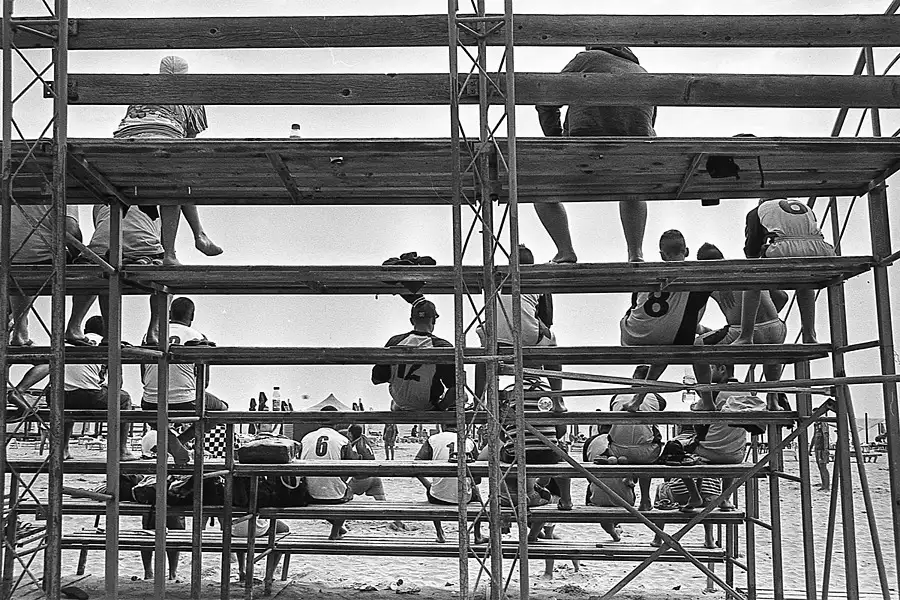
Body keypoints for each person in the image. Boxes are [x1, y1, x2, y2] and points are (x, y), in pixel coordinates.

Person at [535, 46, 657, 263]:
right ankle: (636, 253)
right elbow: (649, 124)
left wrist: (555, 138)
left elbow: (547, 99)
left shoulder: (587, 59)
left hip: (586, 145)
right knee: (633, 188)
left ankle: (565, 251)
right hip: (633, 155)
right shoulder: (642, 71)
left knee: (539, 189)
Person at [113, 55, 222, 266]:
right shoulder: (192, 98)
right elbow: (188, 145)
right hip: (162, 144)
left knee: (171, 178)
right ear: (186, 75)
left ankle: (199, 236)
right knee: (177, 184)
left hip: (122, 146)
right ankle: (173, 252)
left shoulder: (142, 90)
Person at [8, 316, 137, 461]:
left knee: (66, 406)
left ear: (85, 330)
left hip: (58, 396)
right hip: (88, 396)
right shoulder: (107, 345)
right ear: (107, 332)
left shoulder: (66, 343)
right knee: (124, 399)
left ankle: (62, 450)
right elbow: (116, 384)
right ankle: (122, 451)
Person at [694, 242, 789, 410]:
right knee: (771, 355)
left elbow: (694, 322)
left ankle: (707, 402)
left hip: (741, 331)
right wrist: (761, 317)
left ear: (702, 266)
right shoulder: (745, 269)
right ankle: (773, 400)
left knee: (697, 346)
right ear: (723, 258)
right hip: (776, 327)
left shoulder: (708, 279)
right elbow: (782, 297)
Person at [65, 203, 167, 346]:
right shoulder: (153, 201)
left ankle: (79, 327)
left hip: (103, 243)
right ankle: (154, 331)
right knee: (166, 278)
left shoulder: (101, 201)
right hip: (141, 246)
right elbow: (164, 239)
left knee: (102, 270)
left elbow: (101, 227)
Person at [141, 297, 228, 465]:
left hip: (151, 402)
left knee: (150, 408)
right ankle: (180, 441)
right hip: (186, 401)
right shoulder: (197, 337)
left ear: (169, 313)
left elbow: (143, 375)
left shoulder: (151, 335)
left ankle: (171, 440)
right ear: (192, 316)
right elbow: (204, 382)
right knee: (221, 409)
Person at [737, 198, 835, 344]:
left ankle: (746, 336)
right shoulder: (802, 206)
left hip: (785, 248)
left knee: (752, 278)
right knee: (805, 280)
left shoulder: (758, 211)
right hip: (820, 250)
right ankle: (810, 335)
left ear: (762, 201)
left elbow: (752, 251)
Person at [475, 244, 564, 403]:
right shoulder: (539, 279)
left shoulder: (497, 279)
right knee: (552, 344)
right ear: (532, 265)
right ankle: (557, 399)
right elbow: (547, 321)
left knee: (484, 356)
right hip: (525, 336)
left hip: (493, 338)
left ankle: (478, 401)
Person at [620, 230, 711, 382]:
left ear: (662, 255)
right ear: (687, 251)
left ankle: (646, 384)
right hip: (671, 338)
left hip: (631, 337)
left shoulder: (646, 273)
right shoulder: (694, 275)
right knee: (697, 297)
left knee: (643, 304)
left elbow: (635, 303)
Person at [5, 201, 82, 346]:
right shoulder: (63, 189)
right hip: (42, 256)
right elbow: (69, 230)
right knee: (98, 272)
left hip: (6, 257)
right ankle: (74, 327)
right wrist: (77, 255)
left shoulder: (7, 187)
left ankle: (19, 330)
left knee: (19, 272)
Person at [372, 299, 456, 411]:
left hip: (400, 403)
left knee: (395, 402)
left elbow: (377, 378)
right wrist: (440, 409)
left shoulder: (395, 342)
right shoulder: (441, 346)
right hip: (427, 406)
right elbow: (456, 389)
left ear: (412, 321)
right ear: (433, 320)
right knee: (461, 395)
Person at [686, 363, 749, 511]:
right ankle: (725, 498)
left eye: (711, 368)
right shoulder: (747, 391)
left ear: (722, 369)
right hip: (736, 455)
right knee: (730, 440)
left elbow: (696, 415)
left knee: (674, 450)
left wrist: (695, 403)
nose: (708, 372)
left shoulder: (714, 392)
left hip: (710, 453)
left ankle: (694, 495)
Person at [414, 421, 482, 543]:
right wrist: (470, 484)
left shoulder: (433, 440)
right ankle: (477, 535)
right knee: (476, 491)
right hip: (464, 497)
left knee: (432, 490)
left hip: (437, 497)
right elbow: (478, 475)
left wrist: (428, 485)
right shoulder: (468, 441)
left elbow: (416, 465)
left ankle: (440, 533)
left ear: (442, 425)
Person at [603, 388, 666, 512]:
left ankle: (629, 475)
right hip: (646, 454)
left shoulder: (617, 396)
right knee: (648, 447)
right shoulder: (655, 396)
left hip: (618, 451)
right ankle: (645, 500)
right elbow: (662, 406)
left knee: (622, 439)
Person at [299, 409, 355, 539]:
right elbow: (351, 467)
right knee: (348, 491)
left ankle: (338, 528)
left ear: (318, 420)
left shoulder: (306, 438)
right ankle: (335, 532)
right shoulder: (343, 440)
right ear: (337, 422)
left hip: (307, 493)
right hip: (335, 496)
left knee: (322, 490)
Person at [582, 432, 634, 541]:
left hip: (597, 498)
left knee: (597, 491)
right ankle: (614, 528)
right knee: (624, 489)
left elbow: (588, 475)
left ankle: (613, 532)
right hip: (626, 500)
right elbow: (634, 479)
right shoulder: (628, 446)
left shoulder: (591, 442)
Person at [651, 478, 719, 549]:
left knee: (661, 487)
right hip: (712, 494)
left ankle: (658, 538)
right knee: (707, 505)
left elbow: (667, 478)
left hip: (683, 494)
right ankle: (709, 538)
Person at [810, 422, 831, 491]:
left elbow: (825, 436)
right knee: (820, 467)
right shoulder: (816, 424)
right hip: (817, 448)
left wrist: (826, 449)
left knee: (823, 467)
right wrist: (810, 448)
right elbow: (814, 436)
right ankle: (824, 484)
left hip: (822, 449)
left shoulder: (823, 423)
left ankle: (826, 486)